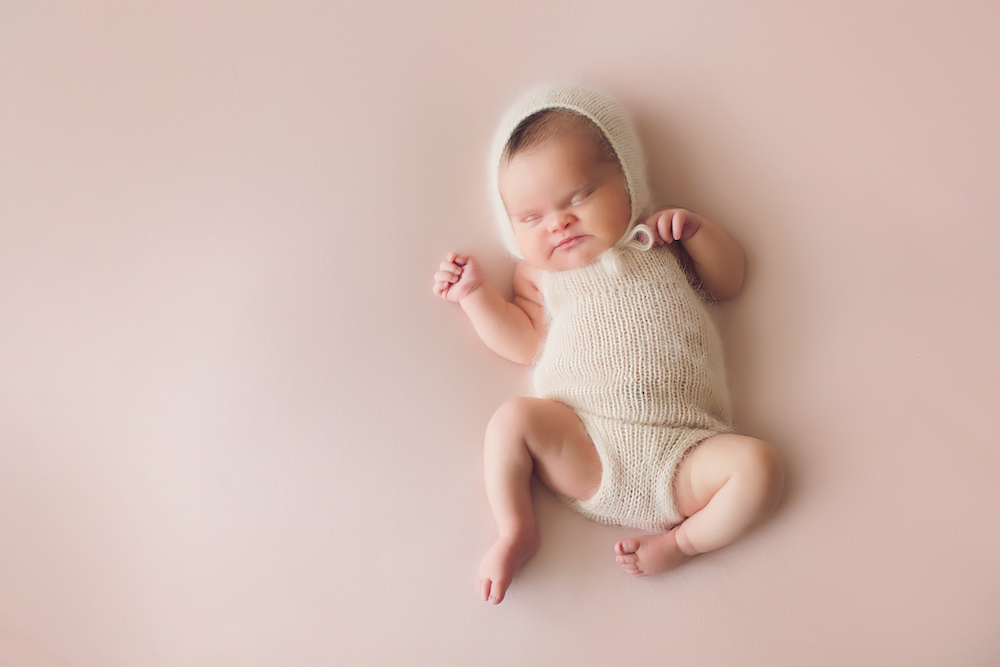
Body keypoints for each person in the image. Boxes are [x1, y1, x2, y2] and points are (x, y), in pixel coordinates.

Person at [433, 84, 783, 605]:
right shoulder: (539, 280)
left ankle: (682, 542)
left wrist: (697, 232)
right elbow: (523, 342)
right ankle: (516, 531)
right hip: (590, 445)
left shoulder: (657, 241)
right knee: (512, 420)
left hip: (684, 452)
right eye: (531, 218)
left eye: (579, 197)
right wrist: (475, 296)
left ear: (626, 180)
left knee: (761, 468)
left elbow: (730, 282)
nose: (559, 223)